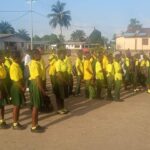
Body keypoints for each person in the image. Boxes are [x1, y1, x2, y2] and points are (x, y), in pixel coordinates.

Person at [28, 49, 46, 133]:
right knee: (36, 106)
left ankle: (36, 124)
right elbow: (37, 79)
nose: (40, 55)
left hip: (35, 84)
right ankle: (34, 126)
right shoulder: (34, 64)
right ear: (34, 55)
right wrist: (42, 90)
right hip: (36, 84)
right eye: (39, 54)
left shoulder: (34, 62)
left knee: (36, 106)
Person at [10, 51, 26, 130]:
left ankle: (16, 122)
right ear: (16, 58)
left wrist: (23, 85)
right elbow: (16, 81)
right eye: (20, 57)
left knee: (18, 105)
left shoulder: (17, 65)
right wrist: (22, 87)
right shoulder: (14, 67)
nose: (21, 59)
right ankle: (15, 123)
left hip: (18, 86)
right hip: (16, 87)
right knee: (16, 106)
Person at [54, 50, 69, 114]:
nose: (64, 55)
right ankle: (59, 109)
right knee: (59, 95)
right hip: (59, 80)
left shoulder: (63, 61)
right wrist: (64, 81)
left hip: (64, 79)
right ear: (59, 55)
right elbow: (58, 74)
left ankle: (63, 108)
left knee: (62, 95)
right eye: (63, 54)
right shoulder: (58, 62)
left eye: (64, 54)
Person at [0, 52, 9, 129]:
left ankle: (2, 120)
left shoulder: (2, 66)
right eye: (2, 58)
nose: (3, 59)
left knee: (2, 105)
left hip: (3, 85)